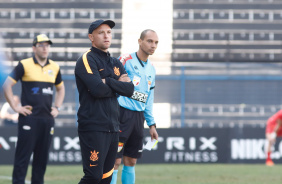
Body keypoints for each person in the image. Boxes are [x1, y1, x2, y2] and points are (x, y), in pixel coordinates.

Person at [75, 19, 134, 184]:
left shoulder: (115, 62)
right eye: (101, 32)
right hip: (93, 127)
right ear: (91, 37)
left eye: (108, 32)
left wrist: (107, 81)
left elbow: (129, 90)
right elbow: (97, 90)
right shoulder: (87, 59)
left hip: (113, 128)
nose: (106, 36)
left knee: (106, 178)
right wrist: (117, 84)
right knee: (93, 177)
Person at [2, 34, 65, 184]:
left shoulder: (54, 67)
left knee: (41, 160)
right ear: (34, 48)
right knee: (22, 158)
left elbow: (61, 89)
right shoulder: (24, 64)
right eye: (41, 45)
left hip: (47, 120)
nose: (45, 48)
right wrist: (16, 107)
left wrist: (57, 107)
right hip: (29, 118)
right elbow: (6, 86)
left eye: (47, 45)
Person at [110, 29, 159, 184]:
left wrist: (151, 124)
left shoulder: (152, 69)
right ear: (140, 41)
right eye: (150, 41)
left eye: (156, 42)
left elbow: (148, 99)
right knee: (114, 161)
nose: (153, 45)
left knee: (131, 161)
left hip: (138, 118)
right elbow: (111, 83)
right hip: (120, 114)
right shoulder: (125, 60)